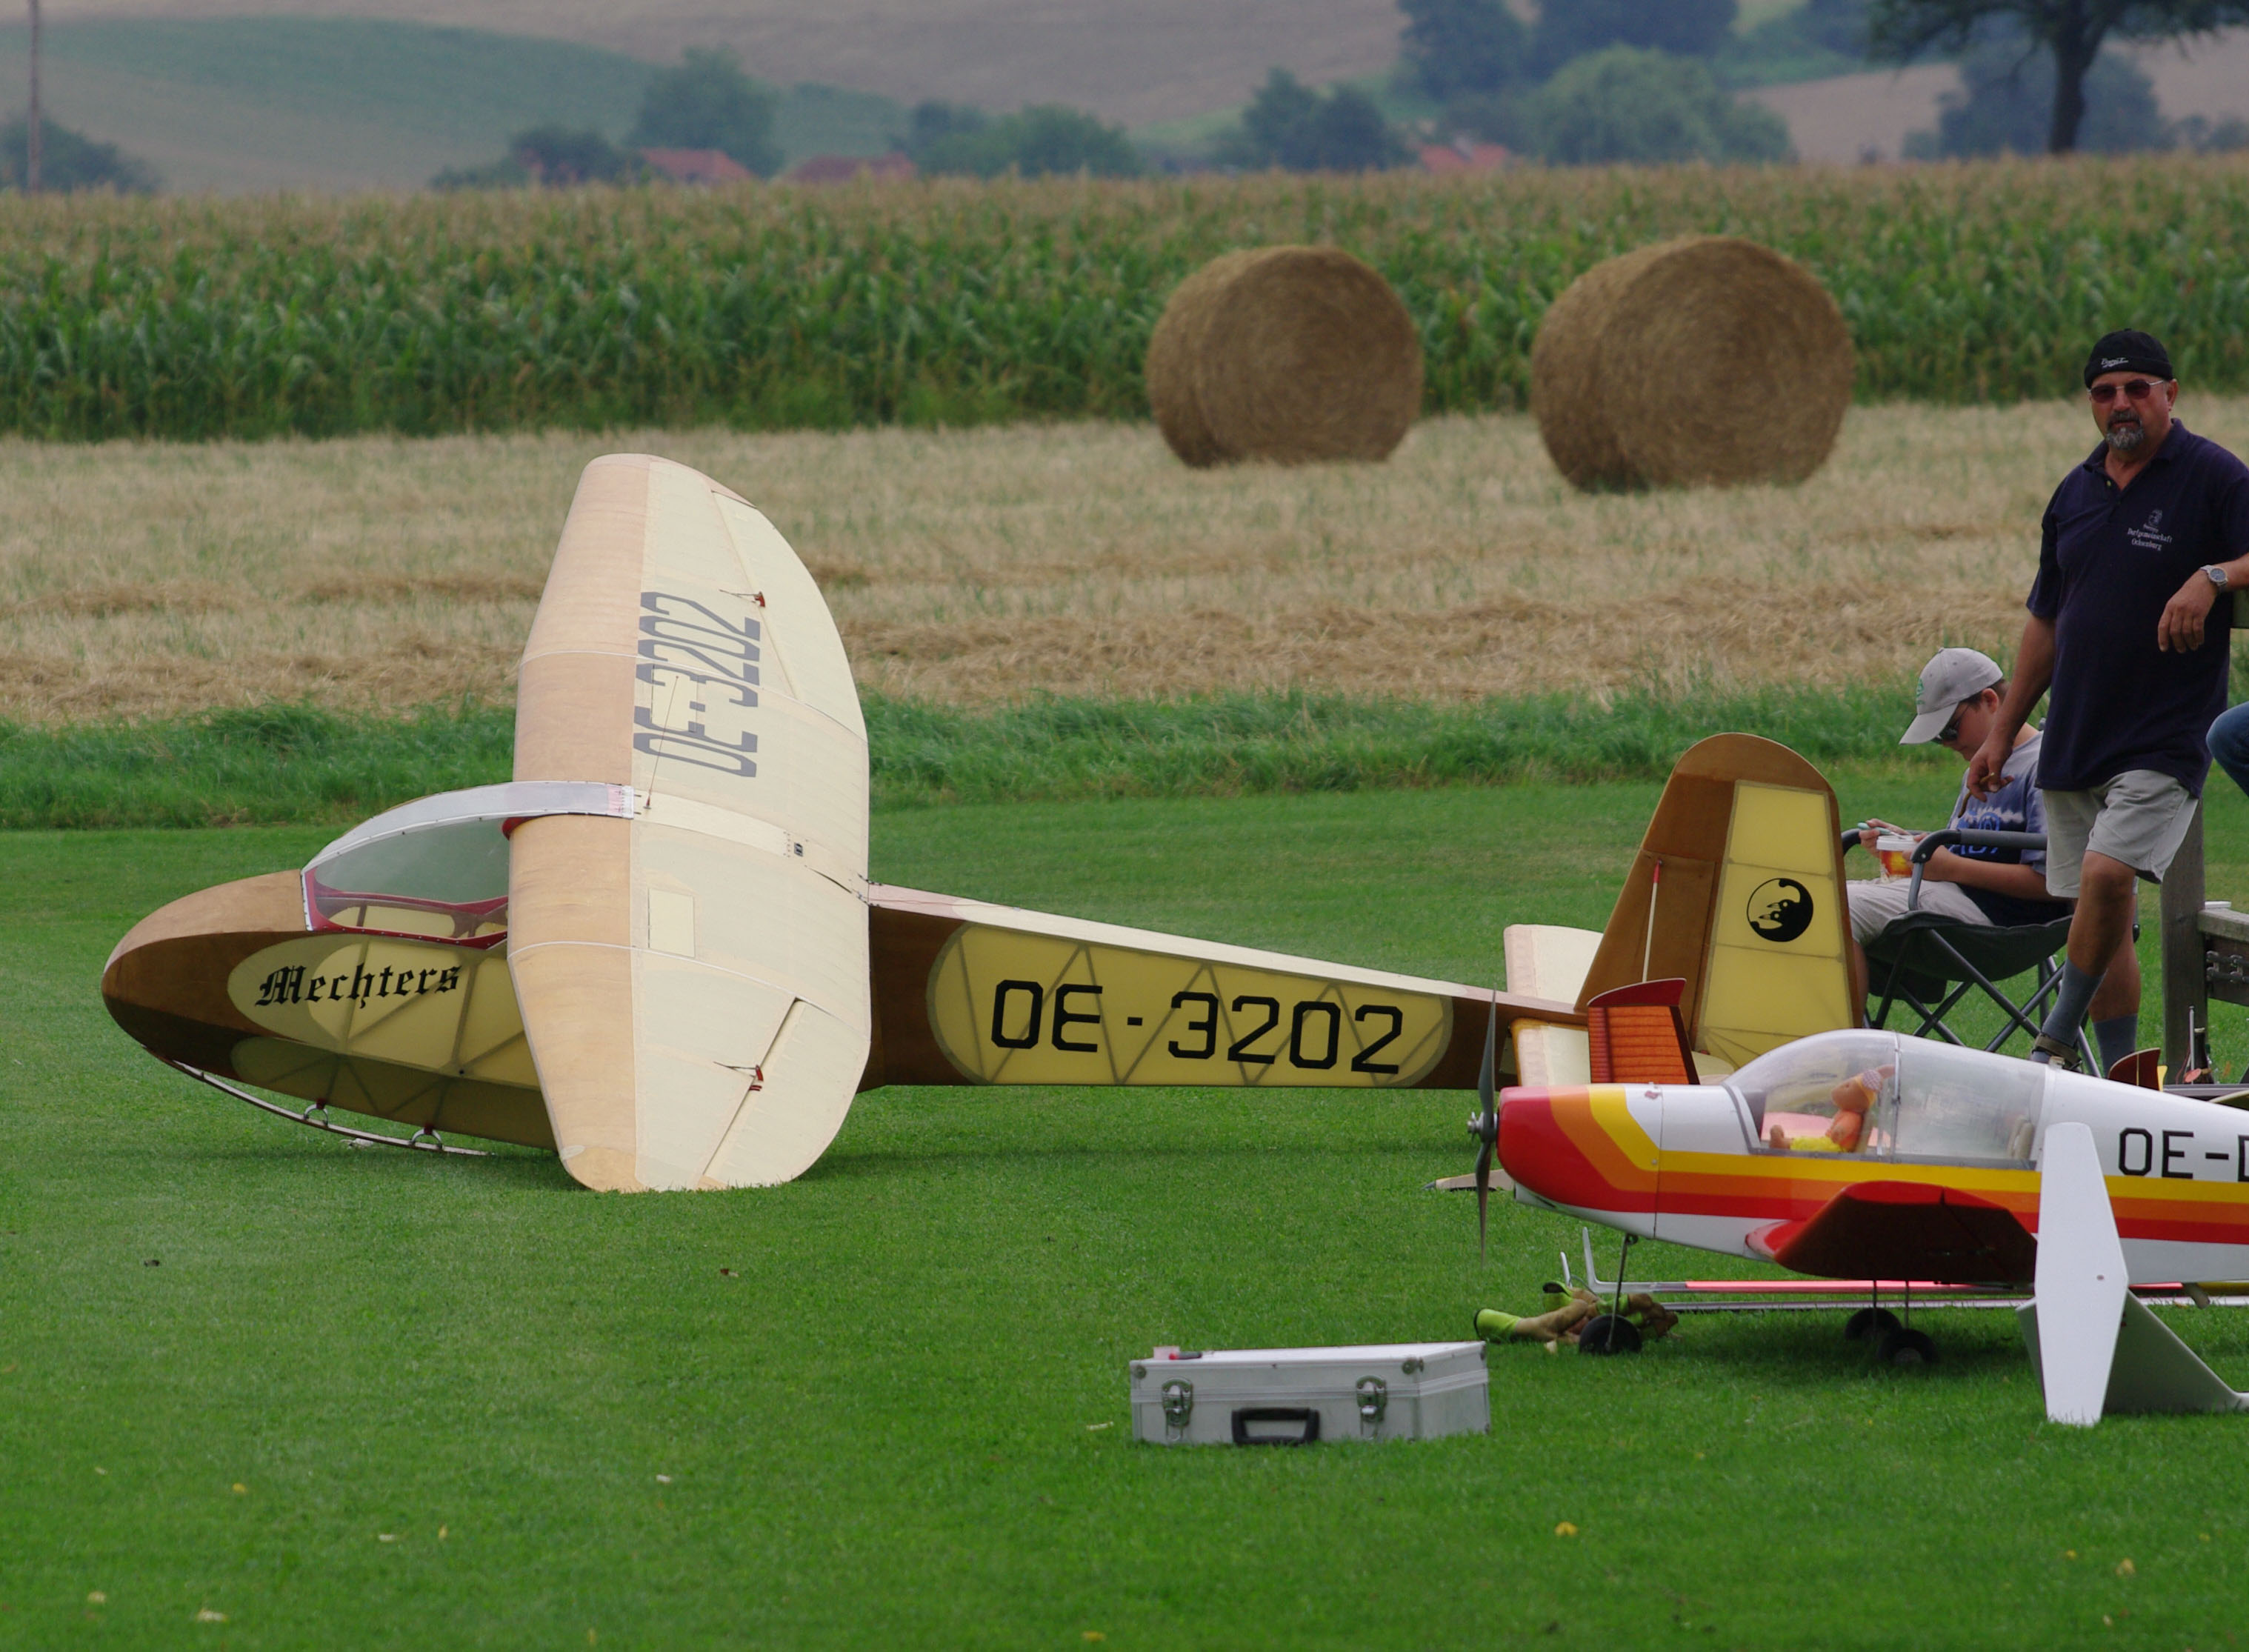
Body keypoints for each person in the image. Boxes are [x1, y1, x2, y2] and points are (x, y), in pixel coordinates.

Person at [1968, 330, 2249, 1067]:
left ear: (2170, 395)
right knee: (2101, 915)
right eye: (2104, 392)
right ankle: (2121, 1085)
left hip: (2163, 734)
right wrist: (2000, 733)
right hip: (2075, 734)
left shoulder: (2214, 475)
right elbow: (2046, 621)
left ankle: (2052, 1043)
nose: (2120, 403)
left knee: (2107, 875)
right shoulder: (2075, 490)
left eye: (2136, 388)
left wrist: (2213, 577)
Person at [1845, 647, 2142, 1074]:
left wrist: (1946, 865)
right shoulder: (1984, 763)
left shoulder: (2044, 765)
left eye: (1950, 730)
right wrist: (1913, 844)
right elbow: (1964, 848)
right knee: (1818, 900)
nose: (1948, 744)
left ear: (1989, 701)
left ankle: (1851, 1066)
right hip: (1953, 899)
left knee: (1836, 910)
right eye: (1938, 737)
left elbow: (2057, 882)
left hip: (2002, 923)